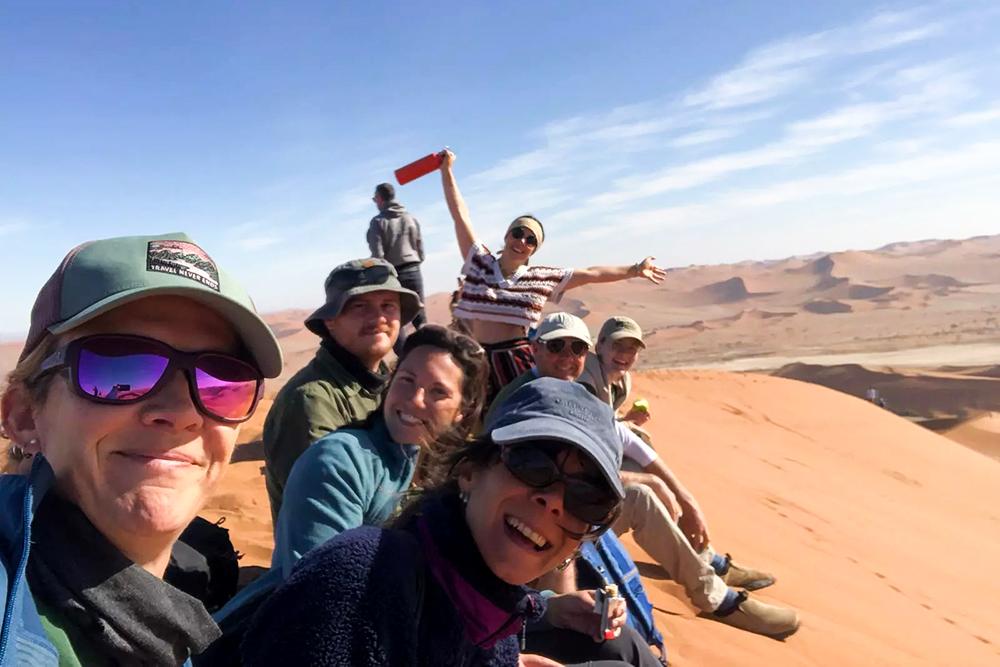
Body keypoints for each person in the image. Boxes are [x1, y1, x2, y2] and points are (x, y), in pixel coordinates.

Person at [0, 232, 282, 665]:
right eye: (121, 368)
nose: (182, 413)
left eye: (221, 379)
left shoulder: (180, 606)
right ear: (24, 416)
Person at [240, 379, 633, 666]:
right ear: (470, 471)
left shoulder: (495, 624)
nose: (554, 502)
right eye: (532, 464)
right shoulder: (363, 578)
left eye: (587, 498)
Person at [494, 312, 799, 639]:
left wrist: (684, 496)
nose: (567, 357)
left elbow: (622, 438)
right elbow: (548, 479)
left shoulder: (570, 393)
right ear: (536, 349)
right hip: (535, 535)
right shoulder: (528, 399)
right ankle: (716, 597)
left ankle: (709, 569)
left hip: (570, 520)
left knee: (641, 479)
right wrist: (650, 481)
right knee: (640, 495)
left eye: (577, 349)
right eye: (557, 346)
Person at [205, 325, 489, 664]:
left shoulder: (439, 469)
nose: (415, 399)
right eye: (407, 380)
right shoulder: (341, 461)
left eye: (438, 392)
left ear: (462, 410)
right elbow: (324, 596)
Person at [438, 149, 668, 402]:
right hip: (473, 356)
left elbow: (591, 273)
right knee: (460, 415)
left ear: (534, 249)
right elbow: (460, 215)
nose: (522, 241)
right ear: (507, 235)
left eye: (531, 240)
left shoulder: (541, 277)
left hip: (514, 362)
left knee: (515, 417)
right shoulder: (479, 261)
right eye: (518, 233)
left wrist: (635, 269)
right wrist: (447, 171)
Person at [262, 257, 420, 521]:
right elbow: (328, 509)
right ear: (330, 321)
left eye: (388, 305)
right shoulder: (312, 401)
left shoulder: (390, 386)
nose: (378, 317)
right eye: (360, 306)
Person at [367, 182, 427, 354]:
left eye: (375, 199)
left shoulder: (378, 222)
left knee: (394, 320)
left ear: (380, 199)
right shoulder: (410, 218)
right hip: (414, 269)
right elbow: (420, 249)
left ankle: (404, 360)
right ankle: (427, 354)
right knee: (420, 318)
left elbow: (378, 255)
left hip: (392, 274)